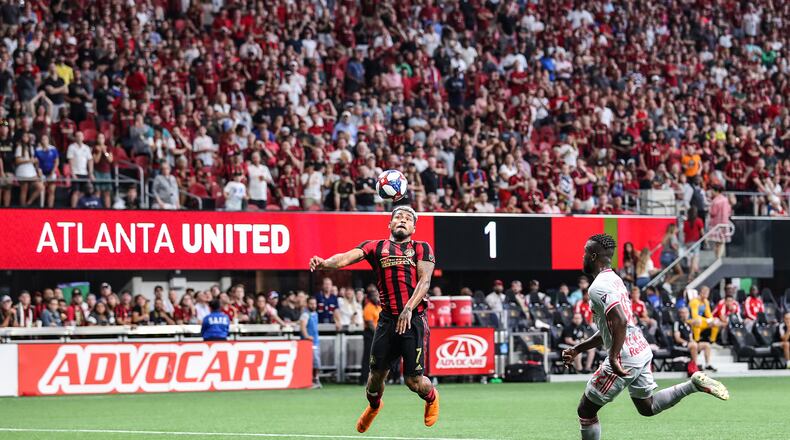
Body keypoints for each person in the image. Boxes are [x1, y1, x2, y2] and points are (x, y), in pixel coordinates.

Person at [562, 234, 727, 440]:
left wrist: (613, 358)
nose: (583, 256)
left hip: (625, 356)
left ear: (593, 255)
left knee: (585, 411)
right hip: (640, 348)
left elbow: (620, 321)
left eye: (585, 251)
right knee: (647, 407)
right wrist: (578, 349)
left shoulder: (597, 287)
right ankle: (693, 384)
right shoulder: (614, 279)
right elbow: (612, 327)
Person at [309, 205, 439, 432]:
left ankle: (431, 398)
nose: (402, 220)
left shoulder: (421, 248)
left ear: (414, 227)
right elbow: (345, 258)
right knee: (375, 379)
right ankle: (374, 406)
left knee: (413, 382)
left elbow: (425, 281)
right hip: (388, 322)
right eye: (398, 217)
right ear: (389, 224)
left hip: (413, 320)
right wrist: (325, 262)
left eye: (408, 218)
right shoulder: (375, 247)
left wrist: (408, 307)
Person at [674, 307, 714, 374]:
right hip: (681, 344)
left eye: (686, 312)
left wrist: (692, 341)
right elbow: (677, 338)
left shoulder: (689, 324)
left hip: (690, 343)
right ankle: (695, 366)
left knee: (706, 345)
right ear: (680, 314)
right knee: (693, 345)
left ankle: (707, 364)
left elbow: (691, 337)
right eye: (683, 313)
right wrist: (686, 342)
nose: (685, 314)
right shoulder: (677, 323)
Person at [300, 295, 321, 389]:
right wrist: (306, 336)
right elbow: (303, 326)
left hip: (315, 342)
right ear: (307, 304)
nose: (313, 305)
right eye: (311, 304)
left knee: (315, 362)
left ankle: (315, 379)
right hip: (309, 343)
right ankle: (313, 380)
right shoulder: (305, 314)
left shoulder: (314, 313)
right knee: (315, 362)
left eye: (314, 303)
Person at [361, 291, 381, 384]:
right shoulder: (368, 308)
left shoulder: (379, 306)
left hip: (378, 333)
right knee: (368, 356)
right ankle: (364, 378)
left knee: (377, 357)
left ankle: (377, 378)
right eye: (374, 296)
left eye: (377, 295)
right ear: (369, 298)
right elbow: (370, 324)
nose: (376, 297)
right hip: (370, 334)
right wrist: (379, 334)